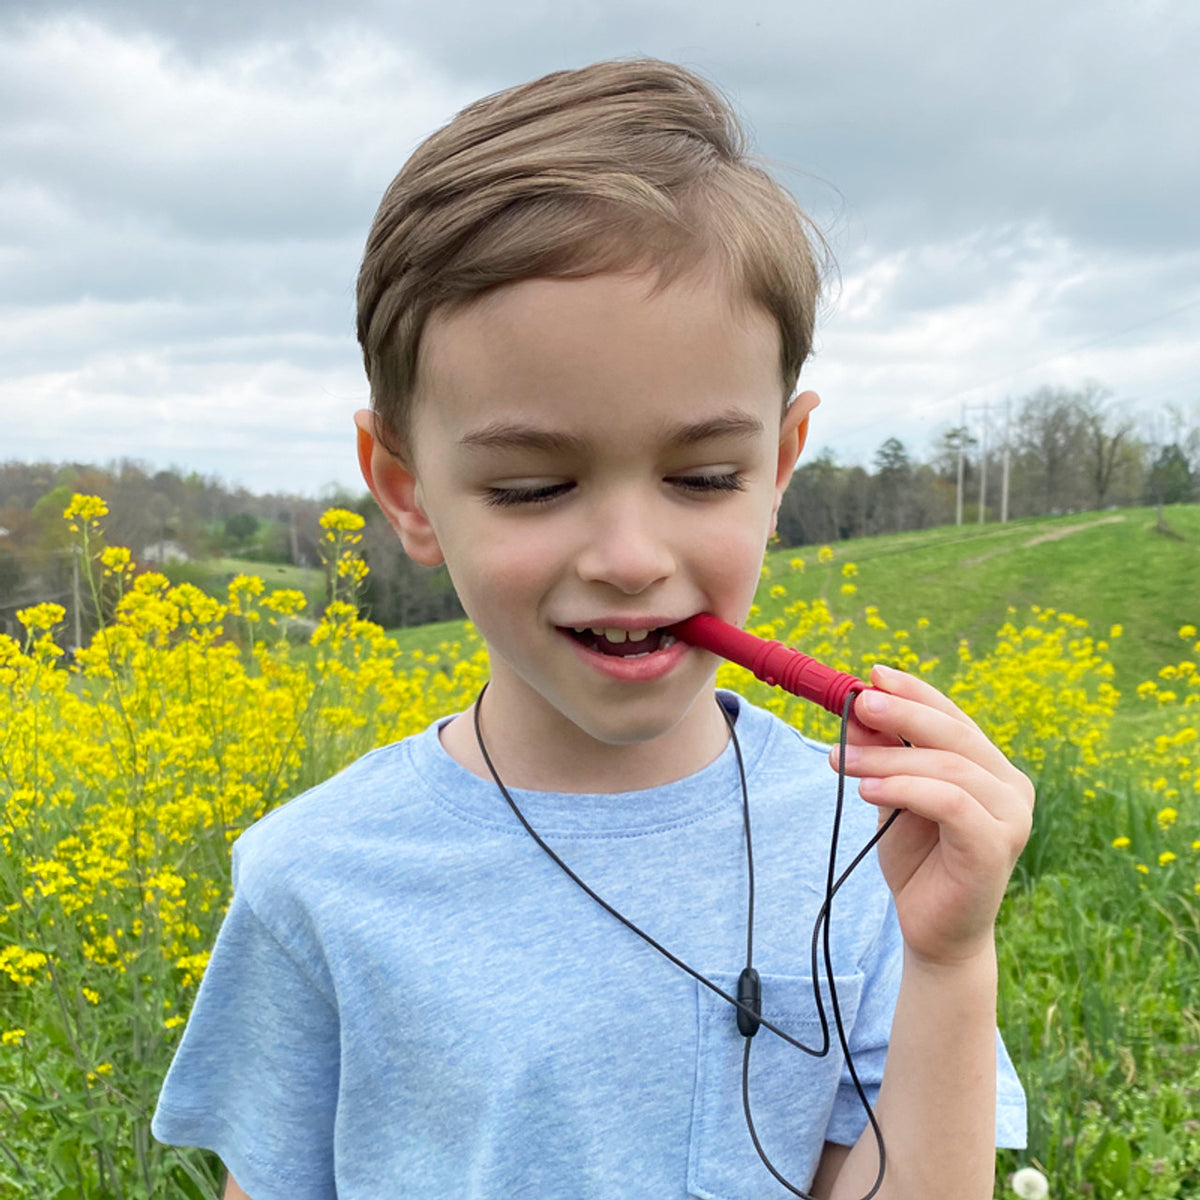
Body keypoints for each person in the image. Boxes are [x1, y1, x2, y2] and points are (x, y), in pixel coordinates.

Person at [151, 58, 1031, 1200]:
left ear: (780, 462)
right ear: (407, 489)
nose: (628, 556)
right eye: (532, 487)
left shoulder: (863, 843)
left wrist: (950, 960)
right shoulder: (316, 879)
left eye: (705, 476)